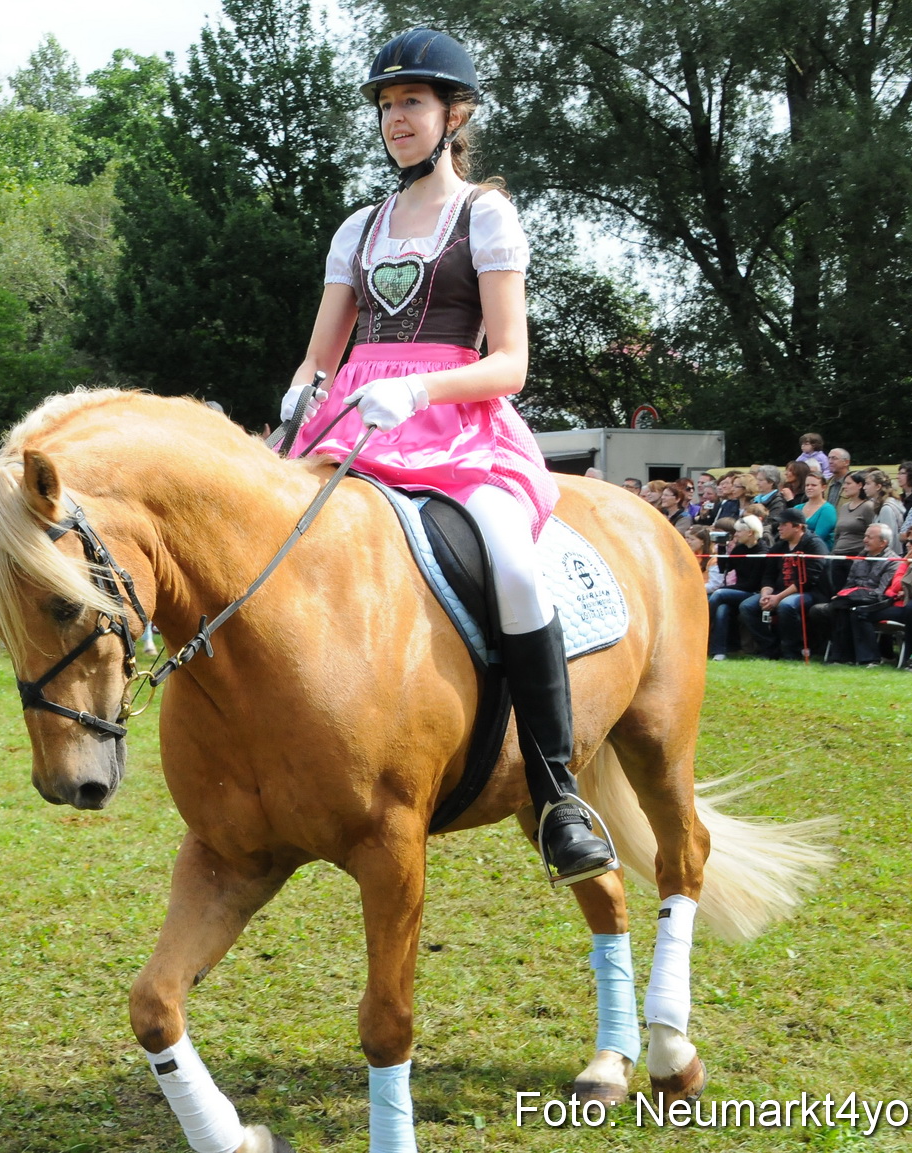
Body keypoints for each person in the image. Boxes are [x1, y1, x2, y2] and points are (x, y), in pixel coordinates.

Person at [282, 28, 612, 888]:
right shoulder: (359, 227)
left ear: (452, 113)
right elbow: (321, 351)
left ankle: (556, 791)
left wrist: (421, 392)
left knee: (509, 559)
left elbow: (512, 362)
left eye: (412, 104)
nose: (396, 119)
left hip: (455, 426)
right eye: (387, 106)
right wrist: (298, 398)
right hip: (353, 421)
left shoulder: (484, 215)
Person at [739, 507, 830, 659]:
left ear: (798, 526)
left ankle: (792, 652)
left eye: (783, 524)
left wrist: (778, 598)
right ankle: (770, 649)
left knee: (786, 605)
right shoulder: (779, 546)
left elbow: (807, 580)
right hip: (778, 592)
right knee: (747, 606)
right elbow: (768, 574)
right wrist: (766, 594)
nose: (779, 528)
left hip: (808, 593)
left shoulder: (814, 545)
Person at [851, 525, 912, 665]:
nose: (908, 545)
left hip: (908, 608)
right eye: (907, 541)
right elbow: (893, 588)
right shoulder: (909, 559)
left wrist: (905, 564)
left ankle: (871, 659)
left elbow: (897, 585)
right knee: (858, 611)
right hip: (897, 603)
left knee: (862, 614)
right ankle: (878, 656)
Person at [823, 524, 901, 664]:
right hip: (854, 597)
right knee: (838, 607)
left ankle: (855, 658)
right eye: (865, 536)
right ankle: (845, 657)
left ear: (883, 542)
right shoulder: (861, 557)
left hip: (877, 600)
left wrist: (849, 596)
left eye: (869, 537)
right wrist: (844, 594)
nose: (864, 540)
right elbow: (850, 583)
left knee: (845, 606)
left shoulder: (892, 562)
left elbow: (880, 592)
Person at [708, 515, 768, 659]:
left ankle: (703, 628)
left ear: (750, 532)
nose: (735, 535)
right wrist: (722, 548)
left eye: (739, 532)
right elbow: (724, 568)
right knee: (722, 609)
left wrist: (729, 589)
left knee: (719, 595)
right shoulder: (740, 549)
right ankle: (719, 650)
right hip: (740, 591)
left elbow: (753, 584)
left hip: (755, 592)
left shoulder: (763, 552)